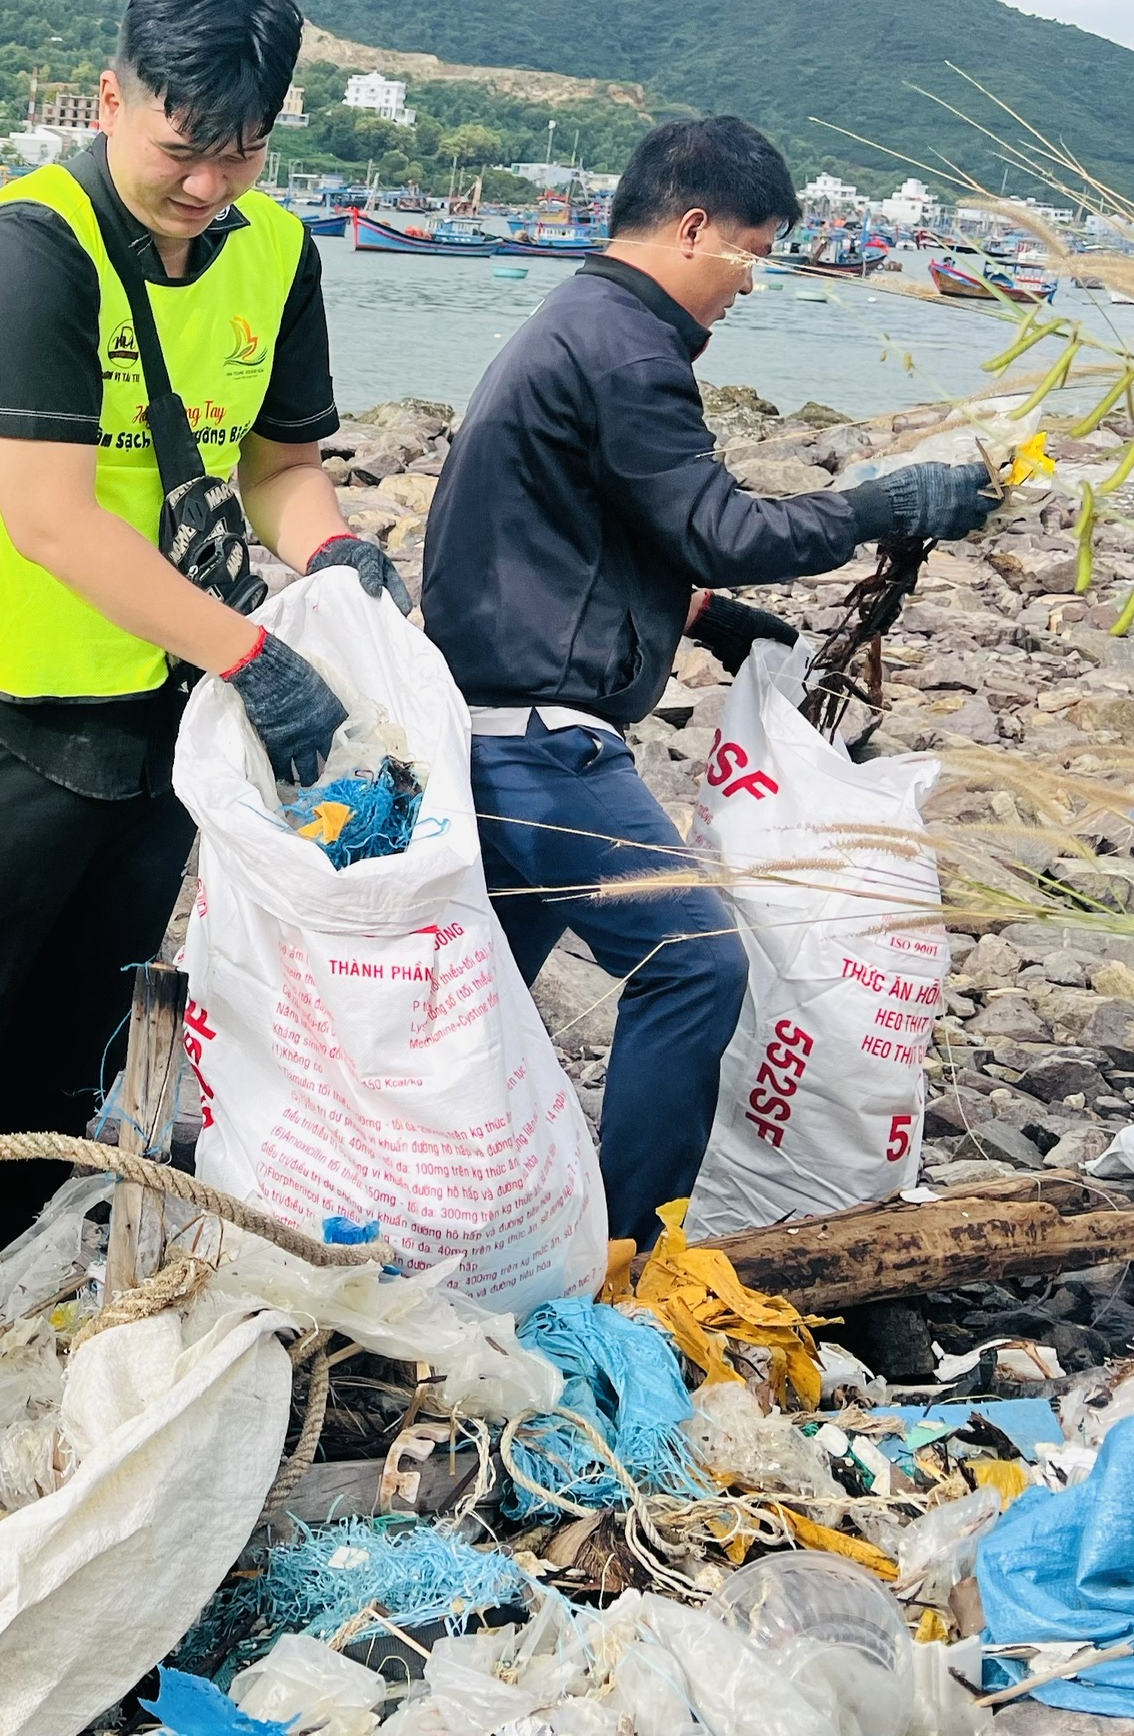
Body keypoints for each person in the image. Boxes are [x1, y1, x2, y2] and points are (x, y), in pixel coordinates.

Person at [0, 0, 395, 1284]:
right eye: (182, 145)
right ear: (110, 98)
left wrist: (339, 555)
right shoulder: (24, 251)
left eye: (241, 153)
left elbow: (279, 465)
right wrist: (260, 657)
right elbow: (54, 520)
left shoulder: (275, 254)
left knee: (72, 1041)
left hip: (157, 722)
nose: (206, 185)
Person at [420, 115, 1001, 1251]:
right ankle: (628, 1258)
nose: (754, 280)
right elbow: (721, 524)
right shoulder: (627, 346)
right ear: (691, 227)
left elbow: (579, 530)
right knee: (692, 962)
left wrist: (706, 617)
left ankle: (452, 1230)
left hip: (483, 724)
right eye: (751, 249)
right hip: (539, 741)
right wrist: (890, 501)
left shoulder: (577, 324)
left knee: (468, 1013)